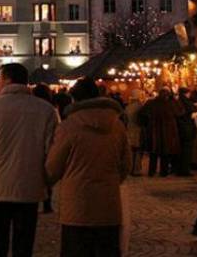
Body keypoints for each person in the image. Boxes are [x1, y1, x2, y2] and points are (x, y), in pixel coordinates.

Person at [0, 64, 58, 257]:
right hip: (29, 186)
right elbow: (54, 151)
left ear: (6, 80)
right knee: (24, 246)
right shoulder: (46, 110)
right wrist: (46, 179)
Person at [45, 77, 131, 257]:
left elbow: (53, 167)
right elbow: (126, 165)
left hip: (77, 204)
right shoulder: (117, 124)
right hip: (109, 203)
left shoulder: (69, 126)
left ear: (74, 99)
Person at [139, 87, 182, 177]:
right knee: (165, 153)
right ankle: (164, 172)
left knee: (154, 152)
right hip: (168, 131)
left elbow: (142, 114)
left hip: (154, 131)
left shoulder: (151, 103)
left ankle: (151, 171)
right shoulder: (171, 103)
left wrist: (147, 123)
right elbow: (180, 112)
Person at [32, 83, 56, 214]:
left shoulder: (31, 108)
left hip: (33, 145)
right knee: (46, 177)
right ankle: (47, 203)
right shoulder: (49, 109)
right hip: (45, 146)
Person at [176, 87, 197, 176]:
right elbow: (191, 115)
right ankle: (185, 170)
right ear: (186, 93)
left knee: (181, 149)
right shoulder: (187, 102)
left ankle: (180, 169)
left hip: (180, 129)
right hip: (187, 128)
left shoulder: (178, 101)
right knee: (187, 150)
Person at [125, 89, 145, 176]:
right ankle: (136, 169)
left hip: (129, 130)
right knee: (137, 150)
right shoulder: (140, 107)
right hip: (138, 130)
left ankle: (130, 168)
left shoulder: (128, 107)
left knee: (131, 150)